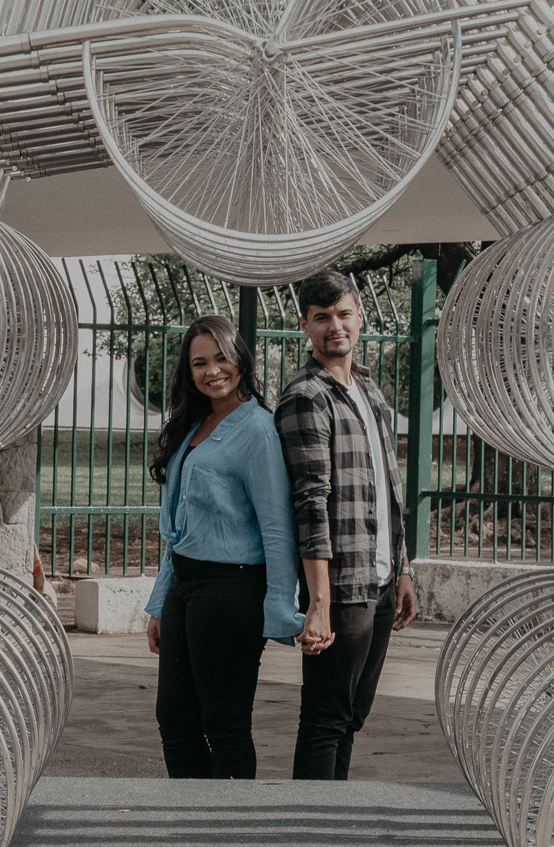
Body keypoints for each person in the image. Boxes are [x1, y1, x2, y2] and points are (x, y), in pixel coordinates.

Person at [145, 315, 304, 779]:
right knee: (174, 719)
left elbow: (277, 528)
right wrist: (160, 603)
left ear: (240, 361)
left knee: (224, 724)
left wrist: (280, 606)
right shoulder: (193, 425)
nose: (212, 371)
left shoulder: (258, 430)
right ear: (188, 371)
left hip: (231, 589)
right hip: (186, 585)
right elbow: (180, 530)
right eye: (200, 363)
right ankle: (191, 815)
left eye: (221, 359)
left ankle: (230, 819)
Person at [274, 270, 417, 780]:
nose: (335, 326)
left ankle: (333, 814)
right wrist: (319, 604)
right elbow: (310, 503)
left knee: (351, 716)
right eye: (322, 318)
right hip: (341, 585)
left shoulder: (369, 389)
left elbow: (388, 489)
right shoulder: (306, 397)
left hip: (381, 580)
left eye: (343, 314)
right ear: (305, 325)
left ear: (360, 318)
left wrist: (403, 571)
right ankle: (310, 822)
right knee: (326, 719)